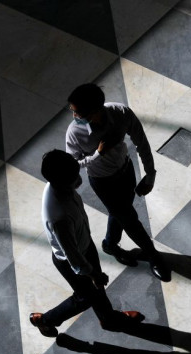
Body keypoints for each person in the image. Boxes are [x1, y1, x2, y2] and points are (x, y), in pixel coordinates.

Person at [29, 150, 143, 337]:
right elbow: (73, 258)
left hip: (84, 245)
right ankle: (46, 320)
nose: (79, 181)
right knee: (85, 297)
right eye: (74, 178)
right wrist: (94, 274)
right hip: (72, 261)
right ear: (60, 182)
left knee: (96, 292)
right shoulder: (59, 217)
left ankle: (108, 319)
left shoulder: (58, 184)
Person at [65, 83, 170, 281]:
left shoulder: (121, 113)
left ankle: (110, 244)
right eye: (72, 111)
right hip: (102, 182)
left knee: (120, 212)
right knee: (129, 219)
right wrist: (98, 154)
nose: (73, 117)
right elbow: (75, 164)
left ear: (94, 110)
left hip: (126, 170)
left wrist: (150, 174)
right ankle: (154, 256)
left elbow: (141, 142)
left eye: (77, 112)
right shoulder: (74, 133)